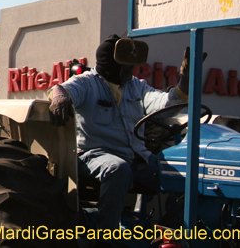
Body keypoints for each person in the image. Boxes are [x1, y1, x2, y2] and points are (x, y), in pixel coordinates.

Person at [48, 34, 198, 231]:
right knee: (117, 169)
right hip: (94, 156)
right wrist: (59, 97)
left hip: (136, 159)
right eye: (126, 64)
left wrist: (185, 80)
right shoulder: (87, 83)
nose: (131, 69)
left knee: (184, 174)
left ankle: (175, 231)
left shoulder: (137, 86)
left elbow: (166, 105)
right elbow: (61, 90)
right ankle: (104, 237)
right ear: (111, 64)